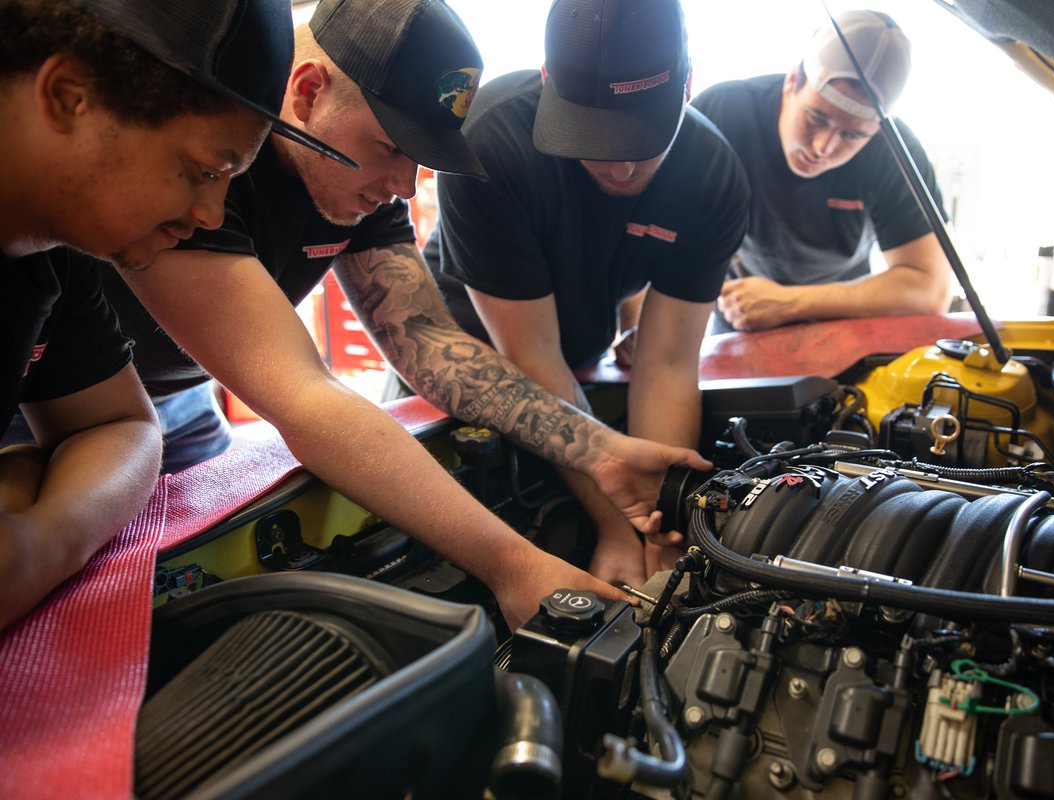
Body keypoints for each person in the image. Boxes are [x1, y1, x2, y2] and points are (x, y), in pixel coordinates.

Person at [99, 0, 711, 629]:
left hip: (183, 402)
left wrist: (601, 449)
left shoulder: (360, 184)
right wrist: (512, 565)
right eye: (391, 148)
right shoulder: (213, 164)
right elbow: (306, 396)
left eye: (420, 158)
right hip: (63, 412)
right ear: (308, 92)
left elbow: (430, 343)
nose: (404, 184)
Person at [0, 0, 344, 630]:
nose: (213, 214)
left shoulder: (48, 249)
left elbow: (119, 427)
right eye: (200, 171)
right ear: (68, 97)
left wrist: (39, 542)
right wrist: (23, 475)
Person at [428, 0, 751, 586]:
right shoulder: (489, 144)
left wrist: (658, 531)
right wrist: (612, 526)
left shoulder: (713, 177)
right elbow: (529, 357)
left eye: (644, 139)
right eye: (595, 138)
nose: (622, 168)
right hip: (460, 369)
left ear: (687, 86)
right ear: (550, 84)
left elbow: (668, 360)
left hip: (575, 365)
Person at [692, 9, 953, 333]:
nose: (823, 147)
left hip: (841, 313)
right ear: (792, 82)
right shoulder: (723, 112)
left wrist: (789, 302)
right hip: (738, 308)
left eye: (852, 135)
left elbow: (932, 288)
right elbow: (657, 225)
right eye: (816, 117)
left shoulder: (893, 151)